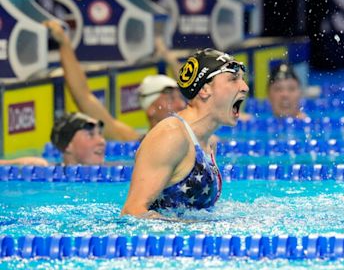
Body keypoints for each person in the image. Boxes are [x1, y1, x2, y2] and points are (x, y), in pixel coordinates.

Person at [121, 48, 249, 218]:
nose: (245, 87)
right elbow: (133, 213)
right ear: (204, 90)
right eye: (233, 79)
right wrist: (188, 228)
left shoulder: (208, 142)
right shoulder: (171, 136)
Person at [44, 20, 186, 141]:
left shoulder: (194, 133)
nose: (181, 104)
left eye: (180, 97)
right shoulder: (133, 142)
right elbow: (83, 97)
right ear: (151, 109)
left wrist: (170, 59)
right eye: (171, 98)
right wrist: (64, 44)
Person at [0, 112, 106, 166]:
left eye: (100, 134)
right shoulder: (44, 170)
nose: (102, 141)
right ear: (68, 145)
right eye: (90, 135)